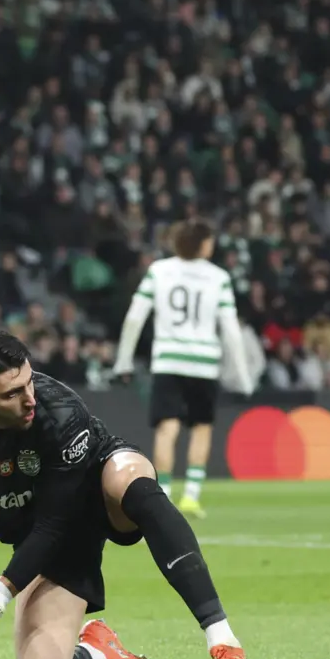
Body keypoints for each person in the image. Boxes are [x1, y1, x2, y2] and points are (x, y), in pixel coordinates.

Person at [0, 327, 251, 659]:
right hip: (51, 542)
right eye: (12, 393)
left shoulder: (59, 410)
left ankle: (226, 647)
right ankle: (99, 654)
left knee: (134, 484)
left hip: (95, 489)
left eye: (28, 381)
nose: (30, 398)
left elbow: (54, 522)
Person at [112, 219, 254, 518]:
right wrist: (242, 376)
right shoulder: (218, 277)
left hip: (168, 360)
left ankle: (163, 495)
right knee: (201, 427)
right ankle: (191, 495)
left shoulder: (159, 271)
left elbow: (136, 317)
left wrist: (123, 360)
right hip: (204, 363)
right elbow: (230, 329)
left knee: (168, 427)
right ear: (203, 244)